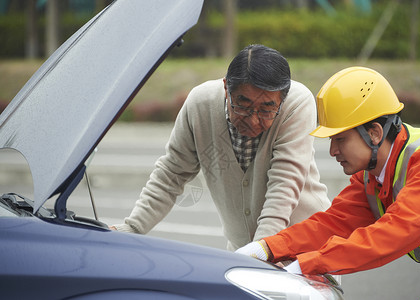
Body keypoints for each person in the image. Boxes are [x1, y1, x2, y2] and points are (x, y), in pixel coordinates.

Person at [236, 66, 420, 299]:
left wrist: (301, 267)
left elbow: (391, 233)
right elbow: (330, 225)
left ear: (375, 133)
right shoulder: (372, 176)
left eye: (340, 138)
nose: (332, 151)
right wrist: (265, 248)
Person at [111, 44, 331, 251]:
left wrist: (260, 252)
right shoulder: (200, 104)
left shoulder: (297, 104)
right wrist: (132, 229)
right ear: (226, 88)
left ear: (282, 100)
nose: (253, 120)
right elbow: (171, 174)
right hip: (245, 251)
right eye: (243, 106)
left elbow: (284, 186)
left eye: (266, 110)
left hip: (306, 245)